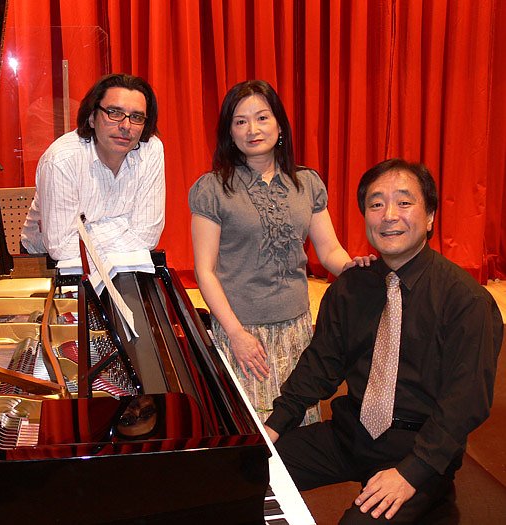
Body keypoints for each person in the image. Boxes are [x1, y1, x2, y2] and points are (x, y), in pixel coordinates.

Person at [265, 159, 503, 523]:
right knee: (246, 472)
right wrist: (275, 423)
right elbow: (321, 365)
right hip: (352, 432)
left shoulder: (466, 301)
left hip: (418, 446)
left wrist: (413, 472)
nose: (389, 215)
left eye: (404, 202)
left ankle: (434, 498)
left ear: (430, 217)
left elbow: (464, 403)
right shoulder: (351, 287)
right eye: (376, 204)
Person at [188, 79, 369, 425]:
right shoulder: (213, 188)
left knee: (297, 424)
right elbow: (204, 271)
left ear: (279, 125)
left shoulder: (307, 182)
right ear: (229, 133)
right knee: (252, 429)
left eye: (262, 118)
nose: (252, 130)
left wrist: (352, 268)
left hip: (296, 327)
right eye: (240, 121)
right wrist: (236, 334)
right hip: (242, 330)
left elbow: (329, 249)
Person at [21, 73, 165, 272]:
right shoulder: (61, 160)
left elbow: (147, 236)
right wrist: (125, 225)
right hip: (45, 264)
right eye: (114, 113)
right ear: (91, 117)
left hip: (123, 260)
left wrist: (85, 231)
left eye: (136, 117)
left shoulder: (151, 150)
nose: (126, 126)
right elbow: (61, 247)